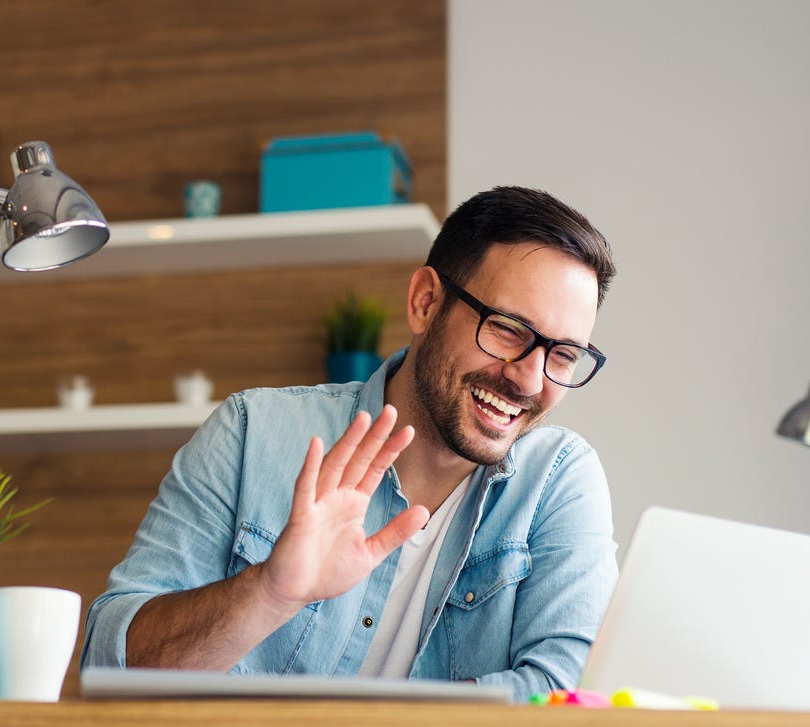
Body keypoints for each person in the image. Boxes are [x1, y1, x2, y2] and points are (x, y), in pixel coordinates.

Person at [81, 186, 619, 700]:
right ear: (425, 302)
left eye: (564, 356)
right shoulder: (253, 431)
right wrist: (268, 593)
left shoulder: (557, 480)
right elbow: (108, 667)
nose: (529, 379)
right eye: (508, 330)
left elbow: (568, 694)